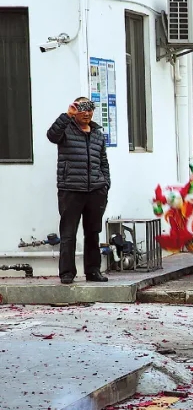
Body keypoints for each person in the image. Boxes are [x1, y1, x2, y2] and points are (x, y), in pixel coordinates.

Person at [47, 97, 111, 285]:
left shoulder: (98, 133)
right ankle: (67, 273)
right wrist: (67, 115)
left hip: (95, 191)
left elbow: (103, 161)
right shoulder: (66, 130)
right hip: (71, 190)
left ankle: (93, 271)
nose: (87, 113)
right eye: (82, 108)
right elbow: (51, 135)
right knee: (68, 233)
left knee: (93, 232)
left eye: (90, 108)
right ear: (76, 110)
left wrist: (105, 183)